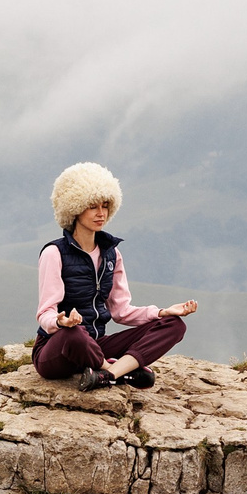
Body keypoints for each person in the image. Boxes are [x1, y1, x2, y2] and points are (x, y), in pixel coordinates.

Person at [34, 162, 198, 390]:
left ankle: (108, 374)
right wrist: (61, 322)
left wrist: (163, 312)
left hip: (95, 345)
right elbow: (45, 313)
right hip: (57, 347)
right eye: (92, 206)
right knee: (75, 334)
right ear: (74, 207)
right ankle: (118, 371)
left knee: (174, 325)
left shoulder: (112, 254)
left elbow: (122, 312)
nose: (101, 213)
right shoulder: (54, 253)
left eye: (105, 205)